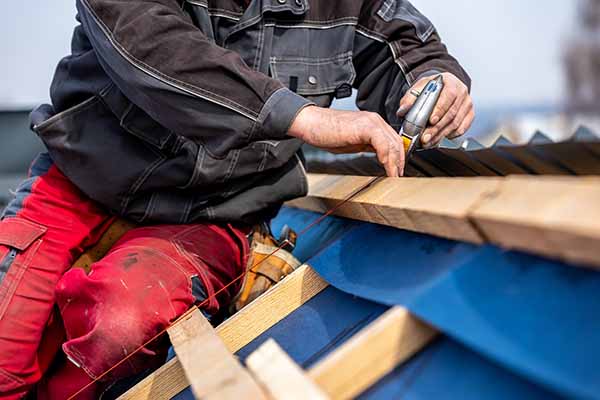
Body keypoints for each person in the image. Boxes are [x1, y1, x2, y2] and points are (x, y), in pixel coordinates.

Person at [0, 0, 473, 398]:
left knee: (117, 327)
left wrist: (434, 79)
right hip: (79, 185)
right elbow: (154, 48)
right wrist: (303, 117)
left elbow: (407, 45)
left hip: (211, 214)